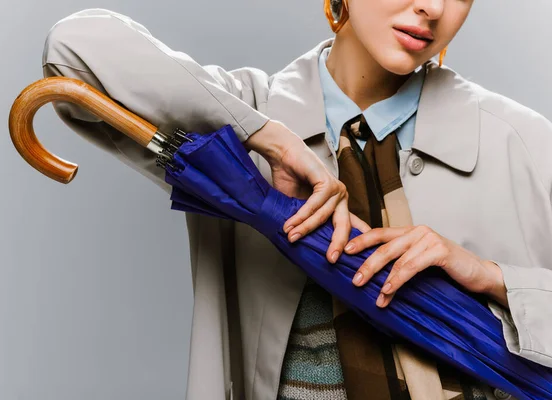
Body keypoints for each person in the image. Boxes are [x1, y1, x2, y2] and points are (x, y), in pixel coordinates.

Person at [40, 1, 552, 399]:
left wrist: (492, 278)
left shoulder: (523, 142)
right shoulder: (240, 117)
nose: (433, 10)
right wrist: (266, 136)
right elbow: (71, 49)